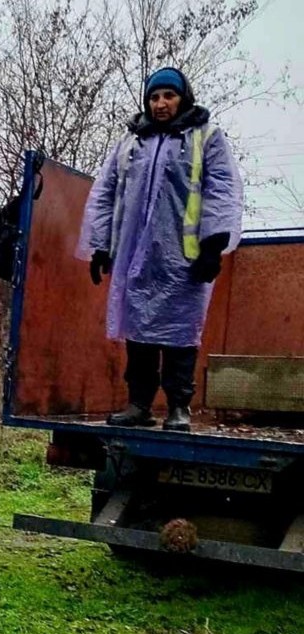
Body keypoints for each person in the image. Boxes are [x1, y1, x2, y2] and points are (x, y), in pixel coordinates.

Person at [77, 66, 243, 431]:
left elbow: (222, 189)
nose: (161, 103)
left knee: (181, 332)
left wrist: (213, 244)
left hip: (185, 259)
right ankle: (139, 405)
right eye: (154, 97)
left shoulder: (206, 137)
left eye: (169, 95)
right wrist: (100, 245)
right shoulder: (131, 142)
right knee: (138, 333)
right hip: (136, 259)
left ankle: (178, 407)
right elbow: (105, 192)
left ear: (183, 98)